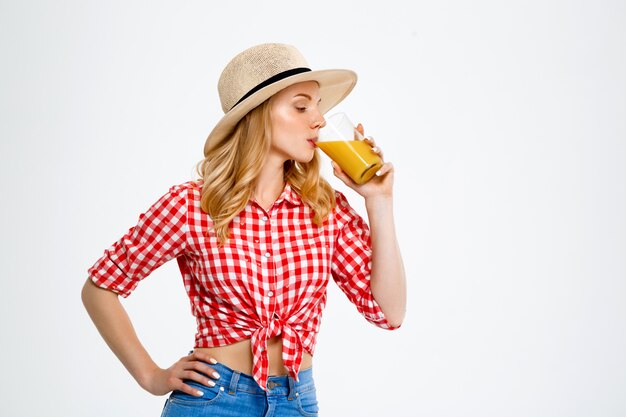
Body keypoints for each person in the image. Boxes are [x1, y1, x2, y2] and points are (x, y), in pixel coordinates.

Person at [82, 43, 406, 417]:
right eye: (302, 106)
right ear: (256, 115)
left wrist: (379, 202)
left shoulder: (324, 208)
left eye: (318, 107)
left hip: (296, 403)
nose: (318, 119)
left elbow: (388, 312)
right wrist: (151, 376)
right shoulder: (191, 205)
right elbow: (101, 287)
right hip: (214, 399)